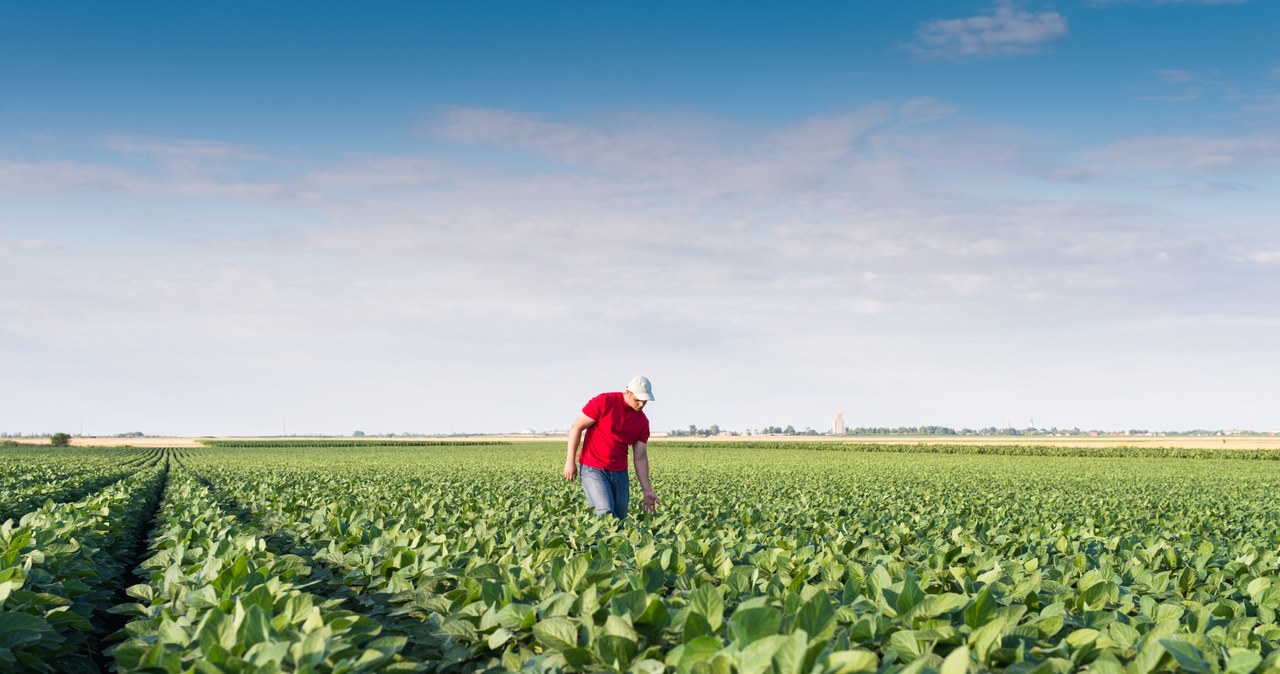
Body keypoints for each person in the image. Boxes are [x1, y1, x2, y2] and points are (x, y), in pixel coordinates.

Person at [563, 376, 659, 519]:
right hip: (593, 468)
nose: (640, 404)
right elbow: (577, 427)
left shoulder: (642, 422)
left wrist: (647, 490)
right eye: (637, 400)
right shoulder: (604, 401)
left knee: (620, 518)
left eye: (644, 401)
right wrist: (570, 461)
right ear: (628, 392)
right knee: (604, 512)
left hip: (620, 472)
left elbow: (640, 457)